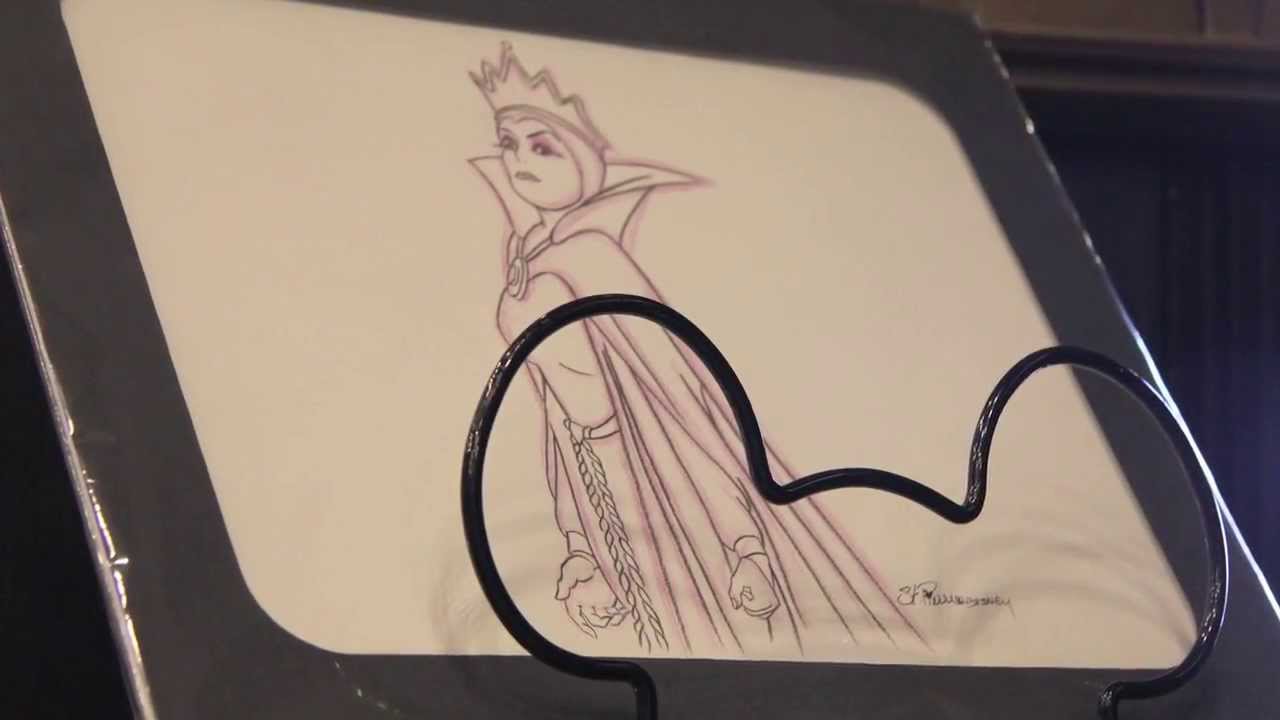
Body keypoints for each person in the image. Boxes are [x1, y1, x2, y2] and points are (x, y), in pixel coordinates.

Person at [469, 43, 925, 656]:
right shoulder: (529, 258)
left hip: (666, 478)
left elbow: (686, 404)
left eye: (542, 145)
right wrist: (578, 546)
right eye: (508, 143)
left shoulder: (594, 255)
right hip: (591, 475)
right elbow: (555, 413)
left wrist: (746, 546)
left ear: (582, 158)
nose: (520, 159)